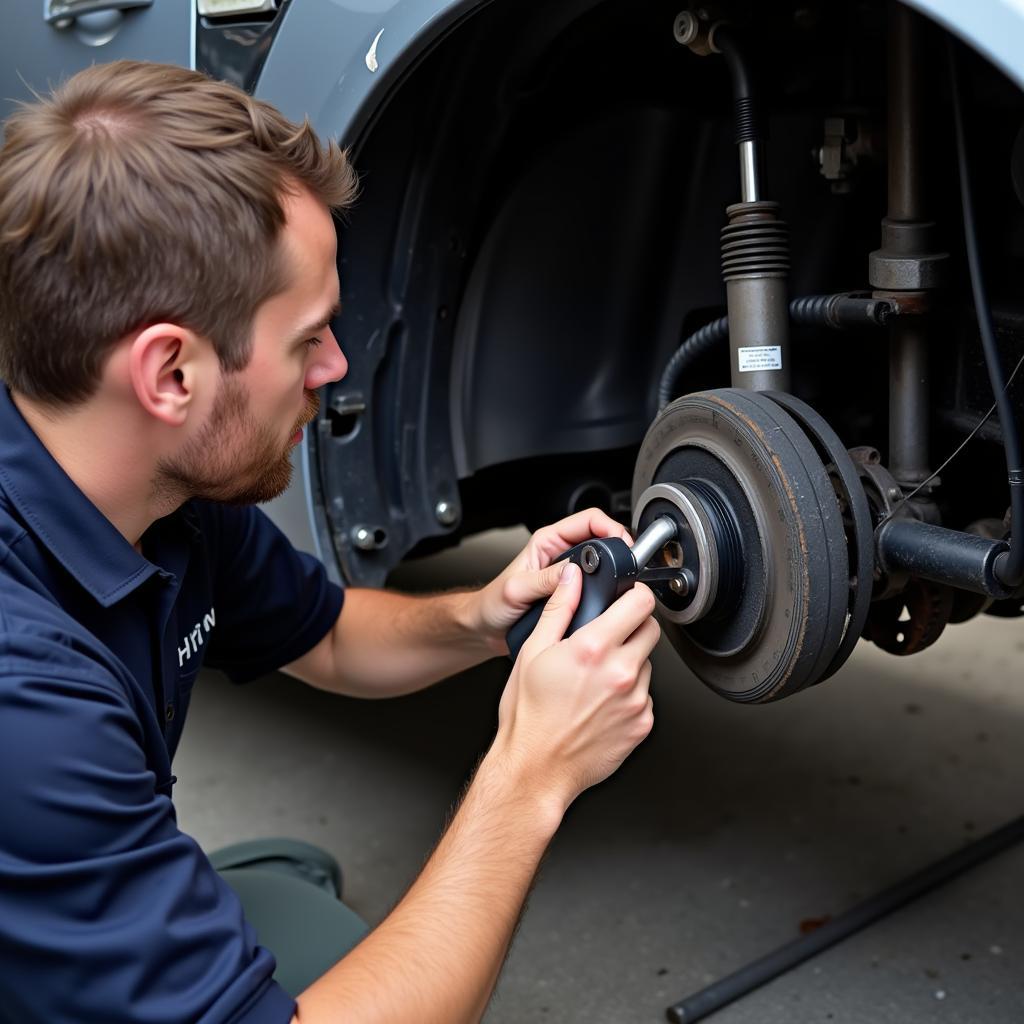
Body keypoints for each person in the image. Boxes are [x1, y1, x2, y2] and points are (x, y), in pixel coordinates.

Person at [0, 61, 659, 1023]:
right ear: (170, 372)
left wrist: (482, 617)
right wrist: (531, 774)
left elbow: (327, 635)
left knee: (284, 912)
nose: (341, 366)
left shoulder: (155, 485)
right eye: (309, 338)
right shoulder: (26, 703)